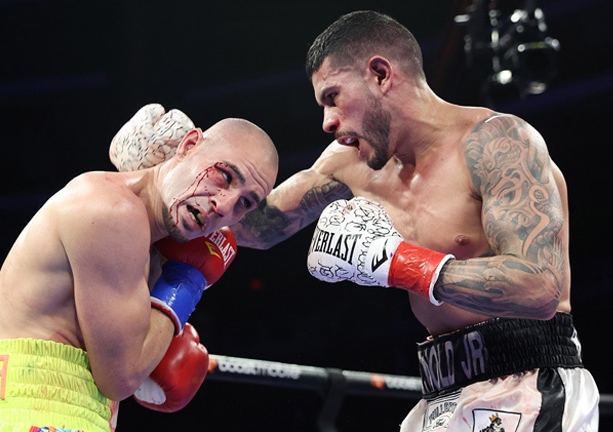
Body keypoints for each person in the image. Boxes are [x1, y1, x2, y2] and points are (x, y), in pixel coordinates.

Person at [108, 10, 599, 432]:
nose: (326, 122)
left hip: (531, 380)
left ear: (381, 74)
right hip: (442, 389)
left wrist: (398, 263)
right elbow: (255, 226)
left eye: (333, 97)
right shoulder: (351, 164)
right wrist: (169, 170)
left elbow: (540, 287)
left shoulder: (497, 143)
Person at [0, 117, 279, 432]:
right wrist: (185, 283)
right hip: (39, 419)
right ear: (188, 145)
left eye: (245, 203)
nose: (225, 206)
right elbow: (121, 377)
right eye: (224, 176)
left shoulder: (141, 236)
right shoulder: (114, 212)